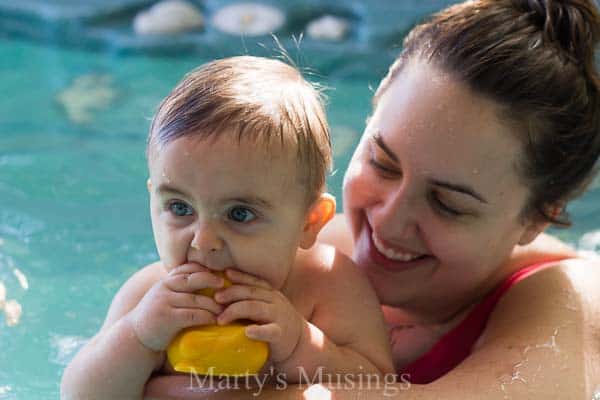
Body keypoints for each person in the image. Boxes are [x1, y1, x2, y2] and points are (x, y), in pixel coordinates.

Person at [143, 0, 600, 398]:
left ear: (537, 218)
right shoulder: (295, 252)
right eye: (383, 163)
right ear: (375, 101)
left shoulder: (572, 295)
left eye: (449, 204)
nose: (388, 222)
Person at [60, 56, 395, 400]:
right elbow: (79, 394)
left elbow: (380, 386)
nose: (203, 242)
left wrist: (300, 345)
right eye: (179, 208)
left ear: (308, 222)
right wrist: (139, 337)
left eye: (239, 214)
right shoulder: (147, 297)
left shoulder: (330, 286)